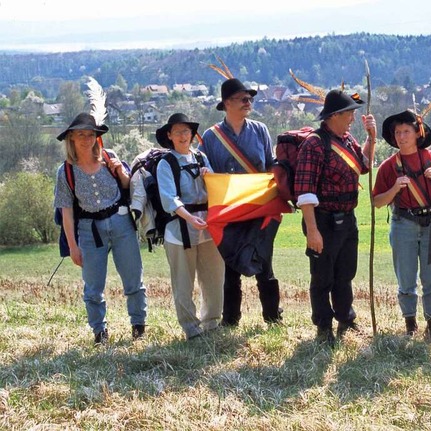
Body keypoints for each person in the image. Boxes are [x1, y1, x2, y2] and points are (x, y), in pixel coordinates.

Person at [53, 113, 147, 345]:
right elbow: (66, 212)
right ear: (71, 138)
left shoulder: (109, 157)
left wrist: (121, 172)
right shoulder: (65, 172)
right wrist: (73, 247)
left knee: (133, 278)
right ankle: (100, 332)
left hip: (121, 221)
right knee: (93, 285)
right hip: (88, 229)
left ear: (97, 136)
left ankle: (138, 327)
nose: (87, 139)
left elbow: (128, 186)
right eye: (81, 134)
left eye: (91, 134)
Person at [294, 89, 376, 345]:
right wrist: (312, 230)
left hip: (347, 219)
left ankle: (345, 318)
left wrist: (372, 139)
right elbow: (305, 191)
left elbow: (363, 166)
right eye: (349, 113)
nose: (353, 118)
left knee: (345, 274)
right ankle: (323, 326)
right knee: (322, 277)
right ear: (335, 116)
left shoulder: (348, 140)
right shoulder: (314, 144)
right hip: (323, 221)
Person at [199, 78, 282, 326]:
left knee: (264, 263)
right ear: (227, 103)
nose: (248, 103)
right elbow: (208, 170)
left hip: (258, 208)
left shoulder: (260, 130)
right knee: (230, 267)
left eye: (250, 99)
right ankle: (231, 319)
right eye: (243, 99)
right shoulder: (210, 137)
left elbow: (270, 164)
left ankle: (272, 317)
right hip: (230, 210)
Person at [372, 110, 431, 340]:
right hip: (403, 224)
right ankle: (410, 326)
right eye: (398, 132)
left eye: (406, 131)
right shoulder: (389, 166)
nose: (401, 136)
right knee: (406, 280)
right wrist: (395, 188)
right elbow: (377, 202)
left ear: (417, 134)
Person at [156, 113, 225, 340]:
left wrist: (210, 176)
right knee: (183, 282)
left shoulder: (201, 158)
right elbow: (170, 200)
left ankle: (212, 323)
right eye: (178, 132)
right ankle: (191, 329)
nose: (183, 136)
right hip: (180, 230)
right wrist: (189, 218)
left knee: (214, 278)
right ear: (169, 136)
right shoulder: (165, 163)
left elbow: (217, 190)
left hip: (207, 227)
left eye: (186, 131)